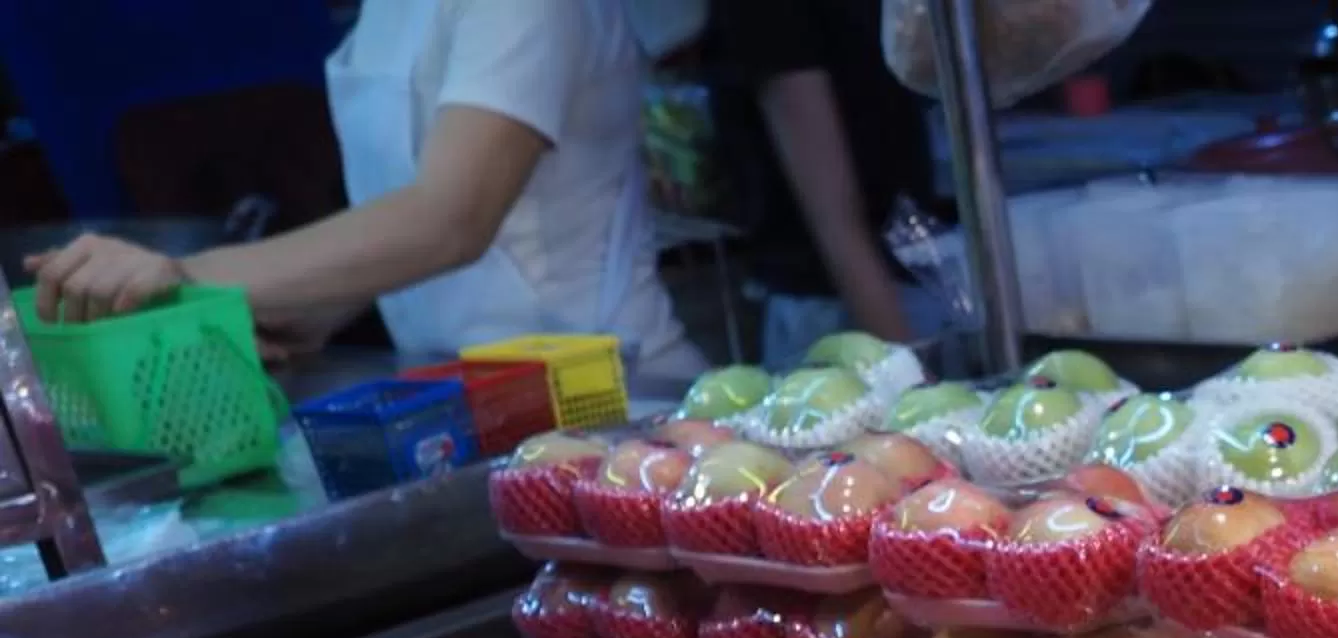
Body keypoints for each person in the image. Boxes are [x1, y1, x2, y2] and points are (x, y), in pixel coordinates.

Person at [25, 0, 697, 382]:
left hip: (612, 393)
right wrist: (312, 307)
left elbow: (451, 218)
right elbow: (405, 215)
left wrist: (187, 274)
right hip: (467, 397)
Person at [720, 0, 948, 364]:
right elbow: (833, 217)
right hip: (838, 311)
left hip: (912, 283)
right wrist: (908, 370)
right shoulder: (773, 15)